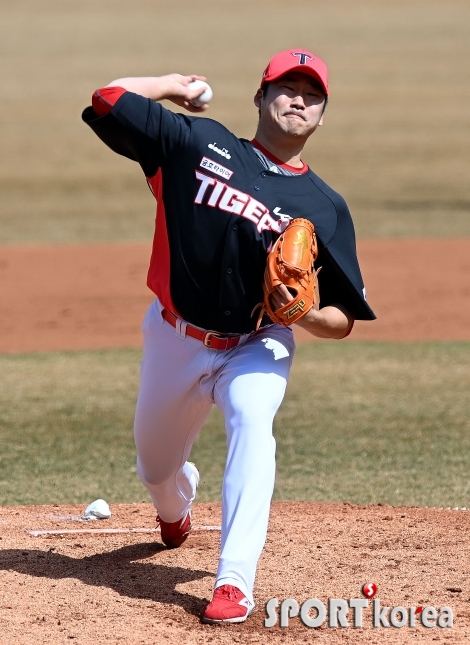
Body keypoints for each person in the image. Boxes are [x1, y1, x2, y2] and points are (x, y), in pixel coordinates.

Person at [82, 48, 375, 624]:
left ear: (322, 116)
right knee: (155, 468)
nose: (298, 100)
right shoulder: (198, 145)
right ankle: (174, 506)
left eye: (311, 94)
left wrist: (304, 316)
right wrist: (169, 85)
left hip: (257, 343)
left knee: (253, 422)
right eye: (286, 88)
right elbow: (109, 99)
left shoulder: (326, 207)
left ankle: (233, 580)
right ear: (261, 98)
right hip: (175, 336)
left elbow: (343, 320)